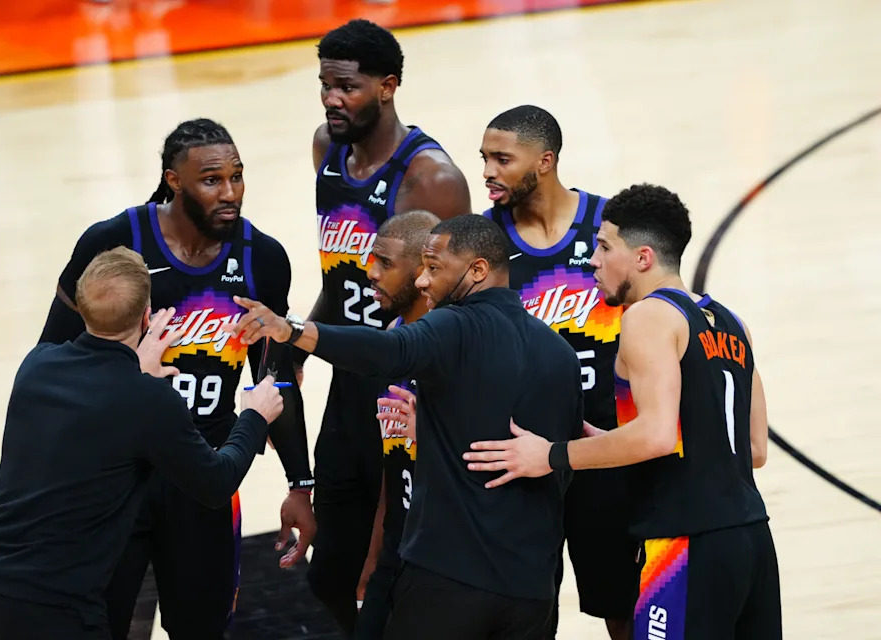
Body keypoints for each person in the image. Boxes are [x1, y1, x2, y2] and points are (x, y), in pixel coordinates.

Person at [233, 214, 584, 640]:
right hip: (532, 589)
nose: (422, 281)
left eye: (434, 269)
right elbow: (556, 468)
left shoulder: (455, 325)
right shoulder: (561, 354)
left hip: (450, 578)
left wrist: (293, 332)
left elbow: (390, 349)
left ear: (477, 271)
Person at [37, 118, 316, 640]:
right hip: (119, 476)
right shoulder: (114, 241)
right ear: (174, 181)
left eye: (237, 176)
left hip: (205, 473)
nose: (229, 192)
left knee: (203, 628)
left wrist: (300, 482)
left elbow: (274, 382)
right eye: (212, 180)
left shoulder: (263, 258)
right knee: (107, 624)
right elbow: (51, 362)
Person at [464, 184, 781, 640]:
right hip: (751, 539)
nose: (593, 260)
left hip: (683, 543)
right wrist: (612, 444)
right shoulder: (733, 323)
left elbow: (654, 435)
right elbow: (752, 448)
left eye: (605, 246)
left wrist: (553, 455)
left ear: (643, 258)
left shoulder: (647, 317)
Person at [0, 247, 285, 640]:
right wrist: (253, 417)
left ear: (82, 307)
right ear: (147, 314)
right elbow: (216, 482)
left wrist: (134, 367)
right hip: (62, 613)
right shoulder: (147, 399)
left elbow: (98, 406)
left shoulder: (35, 366)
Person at [305, 18, 472, 635]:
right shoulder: (326, 148)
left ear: (387, 86)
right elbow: (338, 275)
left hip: (403, 380)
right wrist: (298, 350)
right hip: (348, 369)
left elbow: (453, 301)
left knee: (388, 565)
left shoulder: (431, 179)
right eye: (325, 85)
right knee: (331, 575)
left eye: (345, 87)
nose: (331, 99)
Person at [479, 105, 634, 639]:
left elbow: (654, 314)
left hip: (605, 447)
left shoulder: (610, 225)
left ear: (544, 161)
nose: (488, 173)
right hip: (521, 454)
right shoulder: (484, 243)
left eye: (502, 159)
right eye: (484, 159)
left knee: (623, 601)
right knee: (526, 610)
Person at [350, 210, 438, 640]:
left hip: (446, 557)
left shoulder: (456, 349)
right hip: (398, 546)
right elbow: (394, 462)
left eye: (385, 263)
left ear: (424, 271)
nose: (371, 272)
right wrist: (375, 551)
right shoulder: (393, 336)